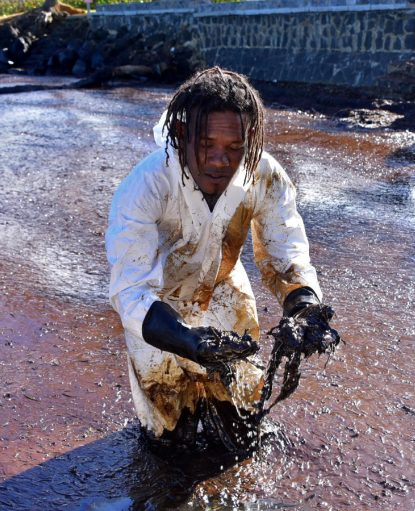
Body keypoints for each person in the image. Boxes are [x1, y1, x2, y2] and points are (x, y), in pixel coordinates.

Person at [105, 67, 325, 453]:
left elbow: (285, 250)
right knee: (169, 437)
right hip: (159, 310)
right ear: (180, 135)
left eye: (234, 147)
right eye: (206, 144)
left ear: (250, 140)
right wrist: (186, 339)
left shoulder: (263, 174)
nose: (221, 161)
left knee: (243, 425)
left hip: (224, 290)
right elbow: (131, 290)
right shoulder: (146, 186)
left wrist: (304, 305)